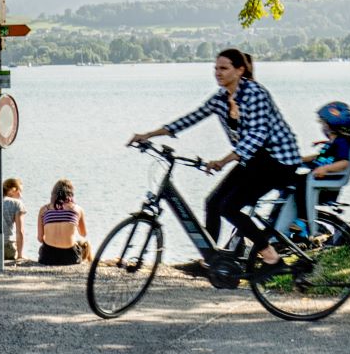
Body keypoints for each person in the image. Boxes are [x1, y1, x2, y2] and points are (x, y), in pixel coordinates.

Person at [130, 47, 303, 274]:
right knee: (213, 203)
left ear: (240, 70)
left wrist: (224, 160)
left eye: (224, 68)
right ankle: (210, 259)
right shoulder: (221, 98)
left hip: (279, 161)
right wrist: (149, 135)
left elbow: (257, 135)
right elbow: (191, 118)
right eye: (215, 68)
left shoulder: (255, 94)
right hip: (254, 160)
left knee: (230, 208)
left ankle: (272, 259)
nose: (217, 73)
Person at [36, 179, 88, 266]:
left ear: (53, 194)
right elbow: (83, 234)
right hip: (70, 257)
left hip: (47, 257)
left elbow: (40, 238)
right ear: (71, 193)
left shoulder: (44, 210)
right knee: (84, 244)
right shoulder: (77, 209)